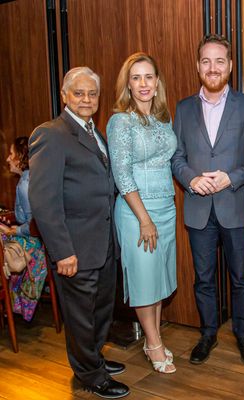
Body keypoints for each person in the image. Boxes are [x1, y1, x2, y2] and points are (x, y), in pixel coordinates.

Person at [29, 67, 129, 398]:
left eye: (92, 94)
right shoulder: (51, 134)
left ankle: (93, 357)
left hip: (101, 245)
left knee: (100, 309)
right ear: (64, 96)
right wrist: (63, 252)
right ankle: (90, 375)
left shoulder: (94, 133)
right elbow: (44, 202)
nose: (86, 99)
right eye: (78, 93)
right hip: (75, 248)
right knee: (80, 316)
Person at [171, 35, 244, 366]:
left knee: (240, 278)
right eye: (206, 61)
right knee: (204, 279)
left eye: (220, 61)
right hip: (198, 209)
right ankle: (208, 333)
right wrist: (190, 178)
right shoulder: (183, 108)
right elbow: (176, 155)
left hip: (235, 205)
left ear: (230, 66)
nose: (213, 67)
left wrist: (232, 177)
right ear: (197, 66)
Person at [107, 52, 177, 374]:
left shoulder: (164, 118)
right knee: (143, 280)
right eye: (136, 78)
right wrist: (144, 219)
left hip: (166, 207)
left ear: (157, 82)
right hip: (138, 213)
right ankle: (153, 344)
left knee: (158, 278)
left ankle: (155, 337)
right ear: (128, 85)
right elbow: (122, 175)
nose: (143, 84)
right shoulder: (121, 121)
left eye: (149, 77)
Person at [0, 137, 48, 321]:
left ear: (21, 157)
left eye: (11, 154)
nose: (7, 159)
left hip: (34, 244)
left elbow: (34, 224)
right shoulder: (33, 178)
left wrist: (14, 231)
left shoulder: (25, 184)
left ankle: (9, 304)